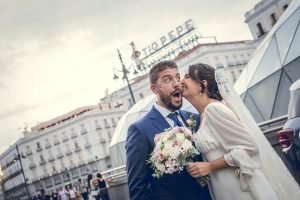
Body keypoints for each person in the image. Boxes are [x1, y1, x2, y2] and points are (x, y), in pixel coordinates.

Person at [181, 63, 300, 200]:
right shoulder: (203, 116)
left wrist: (210, 166)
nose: (181, 81)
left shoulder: (214, 110)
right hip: (224, 188)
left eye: (187, 77)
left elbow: (248, 147)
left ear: (202, 84)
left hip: (239, 189)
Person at [126, 60, 211, 200]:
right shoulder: (139, 130)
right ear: (154, 89)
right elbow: (138, 190)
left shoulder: (195, 118)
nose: (177, 83)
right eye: (168, 79)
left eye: (178, 77)